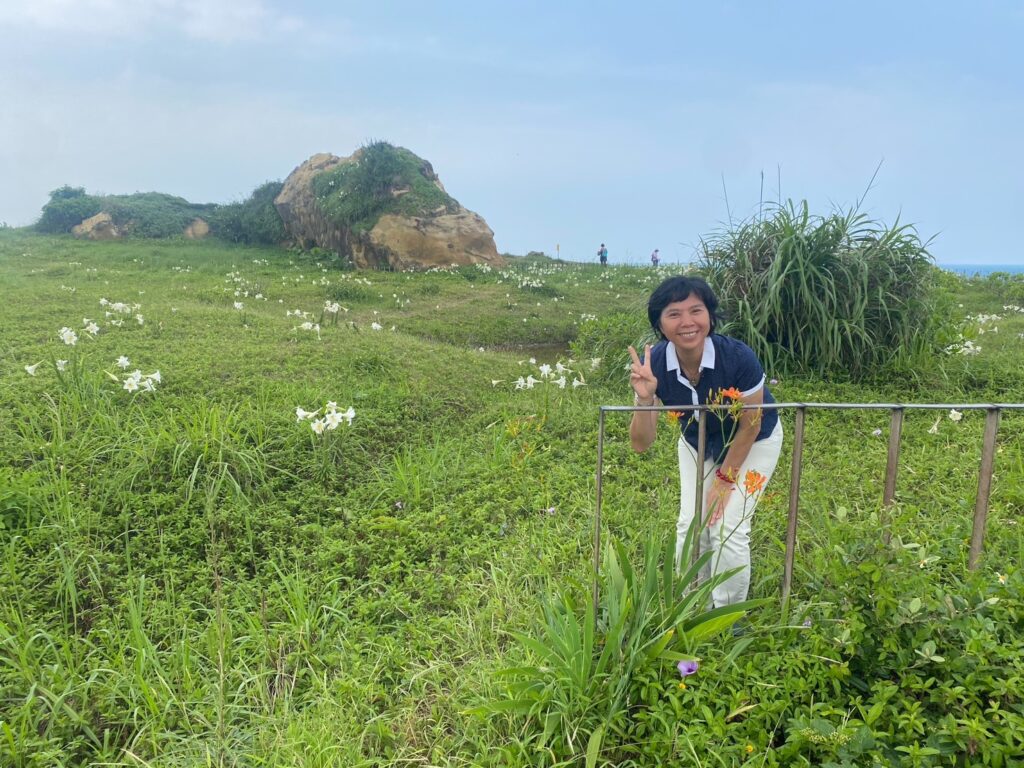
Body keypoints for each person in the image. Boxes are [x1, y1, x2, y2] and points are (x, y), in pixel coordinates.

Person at [628, 276, 783, 607]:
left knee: (727, 526)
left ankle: (727, 616)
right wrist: (645, 399)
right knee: (691, 523)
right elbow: (641, 443)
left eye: (696, 310)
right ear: (659, 323)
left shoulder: (738, 357)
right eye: (674, 313)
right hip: (697, 440)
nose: (687, 322)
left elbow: (751, 425)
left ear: (710, 316)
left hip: (755, 439)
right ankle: (690, 604)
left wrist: (724, 481)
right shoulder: (654, 364)